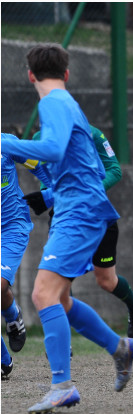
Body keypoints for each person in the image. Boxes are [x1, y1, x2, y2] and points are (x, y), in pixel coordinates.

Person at [1, 43, 133, 414]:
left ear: (30, 75)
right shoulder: (66, 103)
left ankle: (62, 385)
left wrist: (7, 142)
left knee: (42, 295)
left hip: (80, 211)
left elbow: (53, 148)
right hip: (75, 209)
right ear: (67, 72)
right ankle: (120, 348)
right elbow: (69, 158)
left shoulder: (53, 104)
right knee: (59, 299)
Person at [23, 125, 133, 338]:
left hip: (97, 214)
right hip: (63, 217)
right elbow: (46, 178)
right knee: (58, 279)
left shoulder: (92, 133)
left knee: (106, 280)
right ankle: (63, 340)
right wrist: (47, 195)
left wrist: (84, 191)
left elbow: (114, 170)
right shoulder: (39, 137)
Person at [1, 134, 50, 379]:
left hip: (11, 228)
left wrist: (51, 191)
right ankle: (12, 321)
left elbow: (37, 164)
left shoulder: (6, 144)